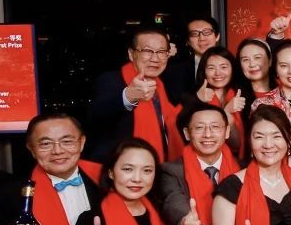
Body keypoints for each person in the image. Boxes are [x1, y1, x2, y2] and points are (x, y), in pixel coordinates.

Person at [87, 26, 183, 164]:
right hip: (122, 167)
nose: (155, 58)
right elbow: (94, 113)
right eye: (147, 51)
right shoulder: (110, 80)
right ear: (131, 54)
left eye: (161, 52)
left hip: (162, 166)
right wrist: (128, 97)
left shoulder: (163, 85)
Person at [253, 40, 291, 169]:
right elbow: (256, 145)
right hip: (276, 169)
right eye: (284, 66)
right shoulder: (263, 104)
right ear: (276, 69)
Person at [186, 46, 247, 156]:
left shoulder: (243, 95)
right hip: (204, 157)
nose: (218, 73)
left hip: (238, 159)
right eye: (211, 68)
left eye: (223, 67)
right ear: (204, 71)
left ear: (232, 68)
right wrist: (225, 112)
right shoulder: (193, 98)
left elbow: (236, 144)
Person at [164, 16, 221, 101]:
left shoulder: (231, 65)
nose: (201, 38)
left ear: (217, 36)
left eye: (207, 32)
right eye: (194, 34)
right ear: (188, 41)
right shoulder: (174, 69)